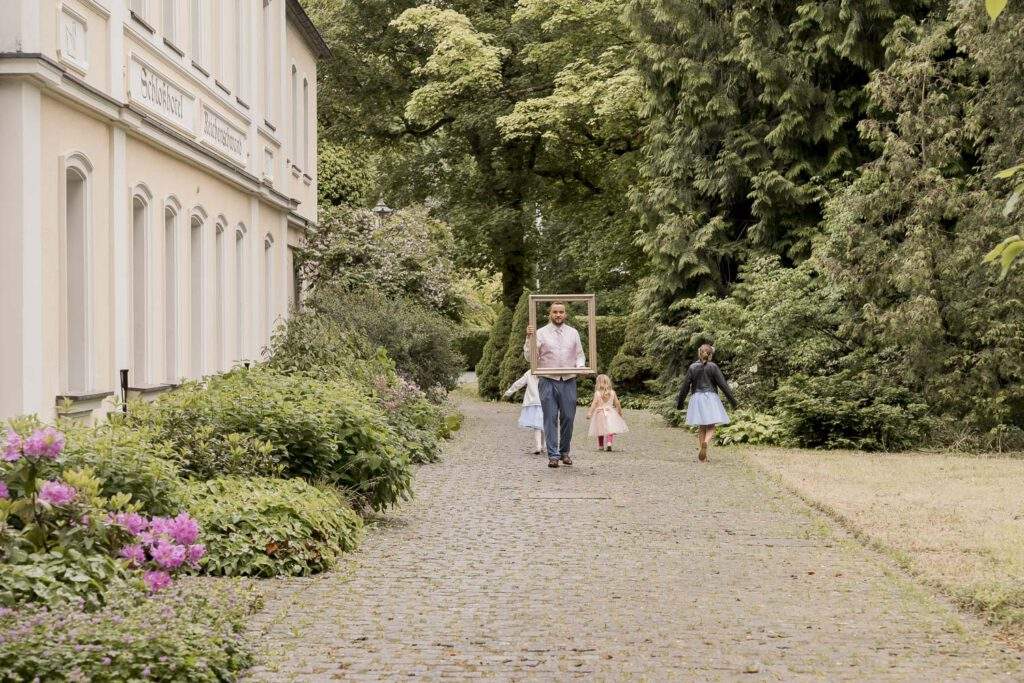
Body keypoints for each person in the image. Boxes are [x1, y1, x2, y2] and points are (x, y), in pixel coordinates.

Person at [524, 302, 586, 468]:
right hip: (547, 380)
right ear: (549, 314)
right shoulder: (540, 333)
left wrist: (581, 368)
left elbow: (580, 355)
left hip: (568, 380)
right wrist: (529, 338)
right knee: (550, 418)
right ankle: (553, 455)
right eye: (555, 312)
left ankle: (565, 451)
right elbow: (530, 358)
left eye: (561, 312)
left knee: (568, 417)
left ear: (565, 314)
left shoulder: (573, 333)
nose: (558, 315)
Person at [675, 344, 737, 462]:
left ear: (699, 353)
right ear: (710, 355)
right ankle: (706, 442)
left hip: (697, 398)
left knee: (701, 426)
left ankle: (703, 458)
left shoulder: (692, 367)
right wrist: (733, 402)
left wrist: (680, 403)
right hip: (711, 398)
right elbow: (723, 385)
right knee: (711, 426)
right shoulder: (713, 367)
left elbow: (685, 387)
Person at [503, 369, 545, 454]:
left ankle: (539, 446)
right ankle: (542, 446)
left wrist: (508, 392)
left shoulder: (530, 372)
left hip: (533, 402)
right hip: (545, 401)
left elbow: (518, 383)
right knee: (543, 425)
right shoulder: (546, 370)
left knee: (537, 425)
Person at [587, 374, 628, 451]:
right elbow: (617, 403)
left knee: (600, 429)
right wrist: (620, 412)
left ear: (598, 383)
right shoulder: (612, 392)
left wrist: (590, 413)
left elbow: (594, 403)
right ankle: (609, 442)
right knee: (610, 428)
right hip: (610, 412)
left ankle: (601, 446)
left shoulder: (597, 393)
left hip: (599, 413)